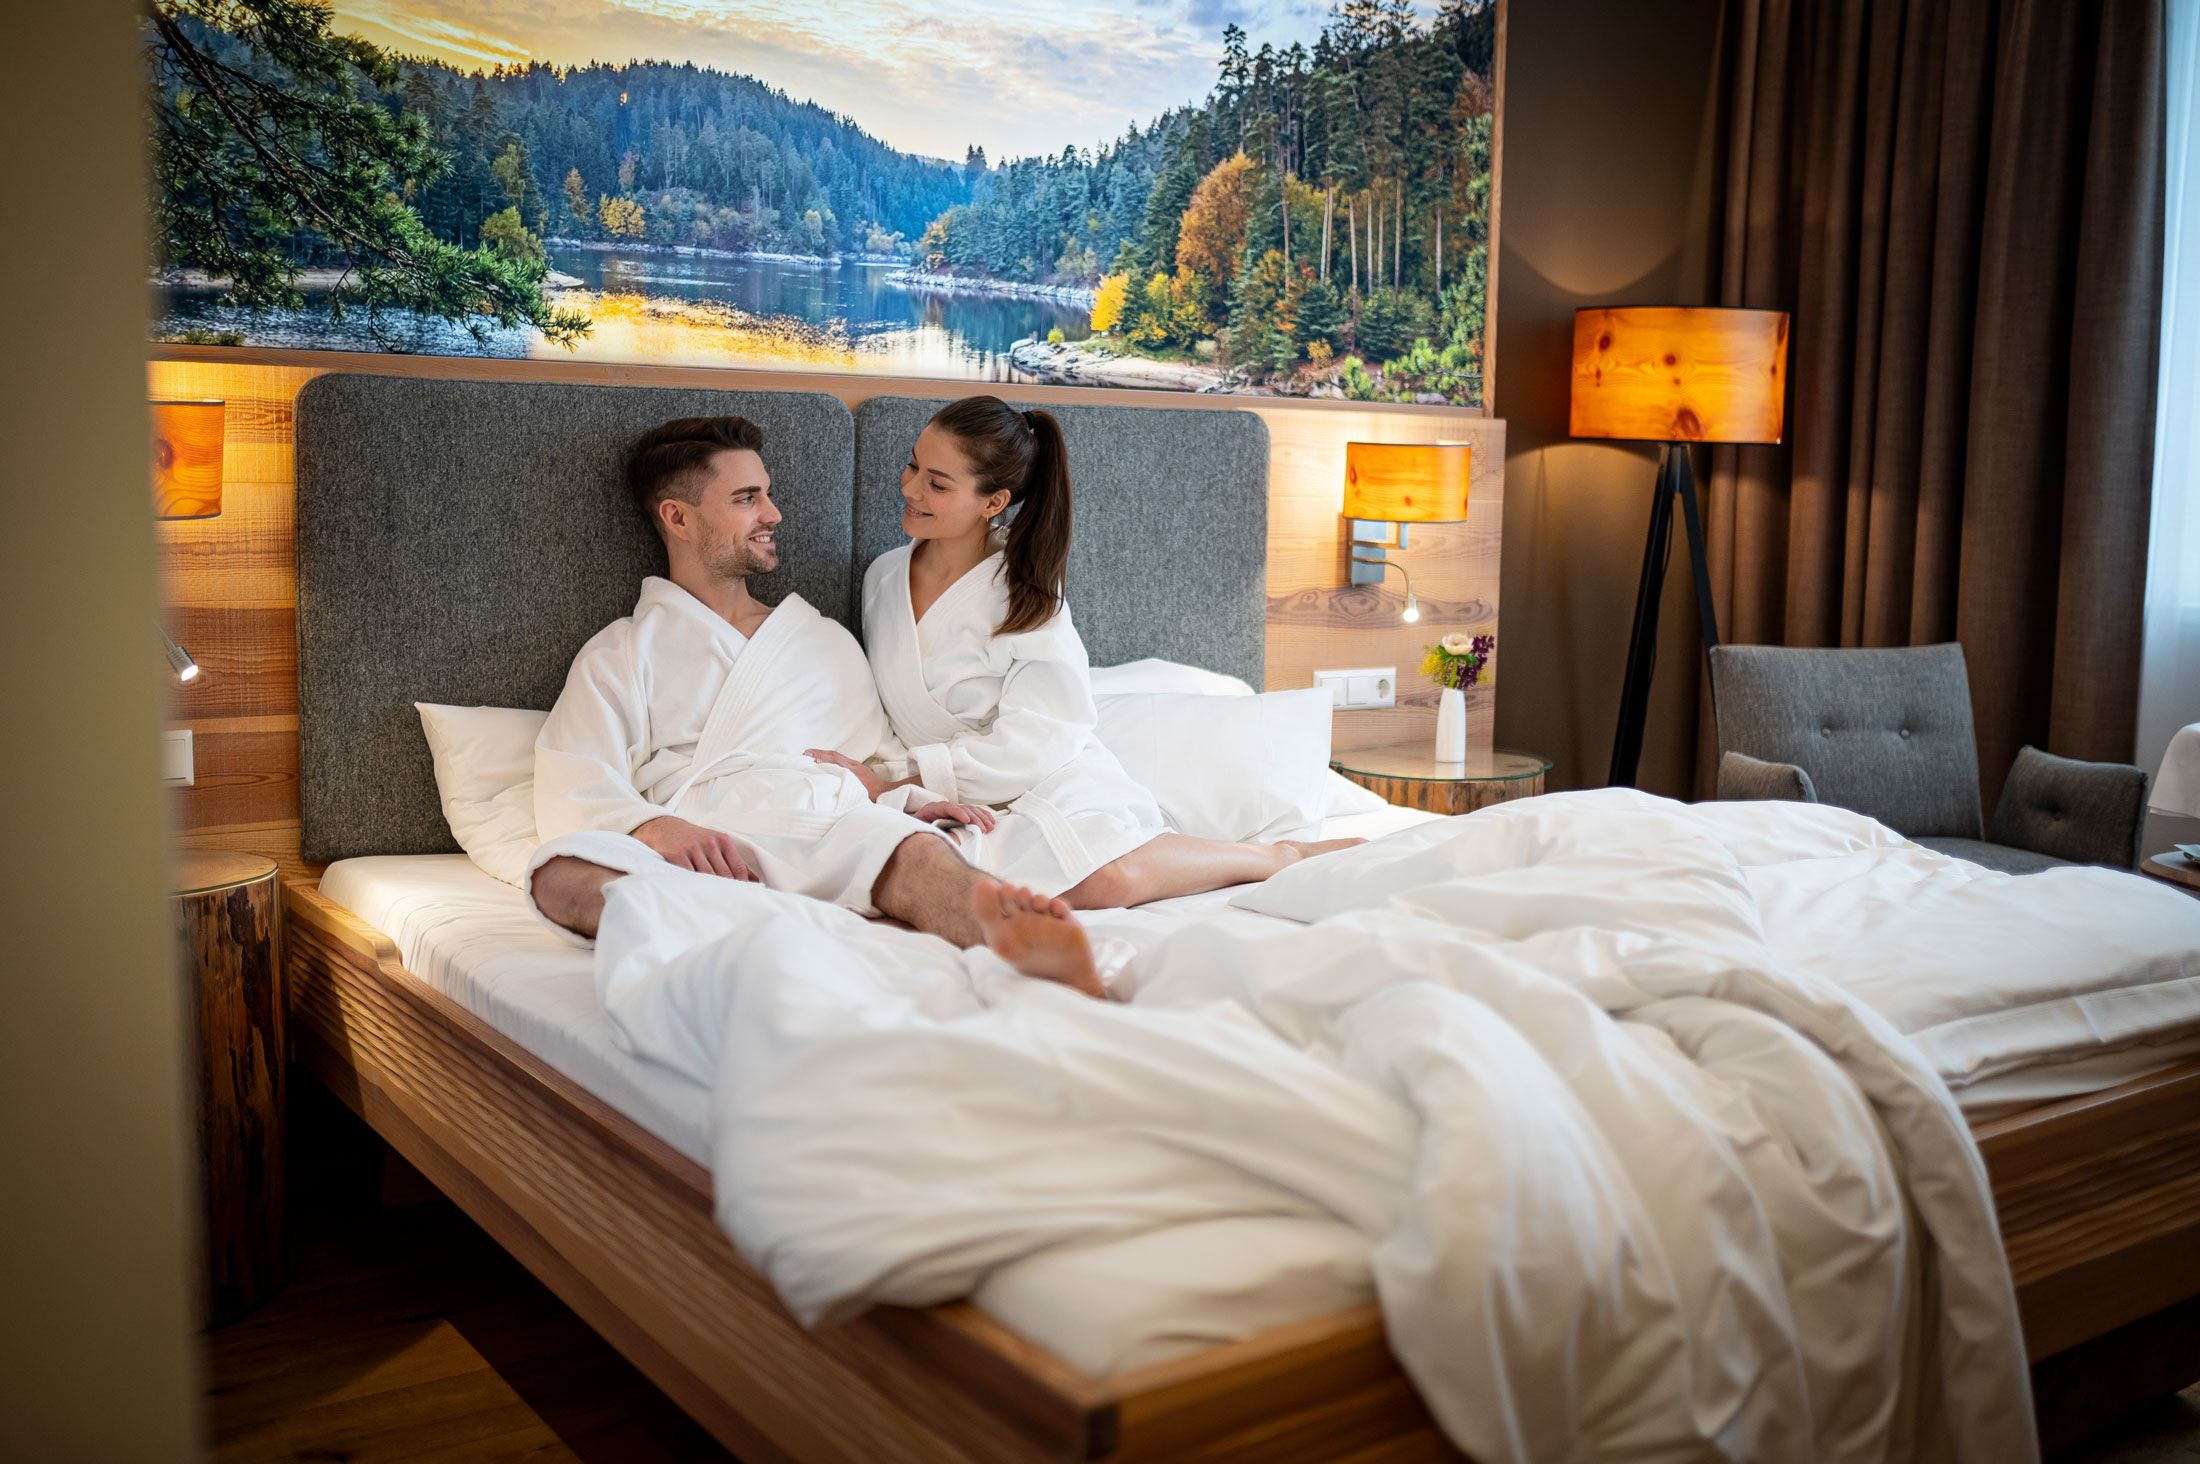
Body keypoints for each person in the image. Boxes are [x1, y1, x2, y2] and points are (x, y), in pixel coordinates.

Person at [811, 395, 1359, 909]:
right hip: (938, 791)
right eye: (912, 466)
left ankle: (1275, 856)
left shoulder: (1025, 596)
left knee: (1104, 879)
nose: (910, 489)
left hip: (1037, 776)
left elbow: (1044, 734)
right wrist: (901, 789)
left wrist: (908, 781)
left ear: (994, 502)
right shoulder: (883, 578)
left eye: (937, 483)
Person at [528, 414, 1005, 953]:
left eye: (767, 494)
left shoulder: (823, 639)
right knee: (559, 878)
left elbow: (876, 761)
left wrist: (905, 799)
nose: (773, 513)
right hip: (699, 848)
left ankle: (1047, 963)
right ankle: (774, 934)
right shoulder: (621, 652)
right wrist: (654, 828)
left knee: (921, 853)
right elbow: (574, 780)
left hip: (826, 830)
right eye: (746, 498)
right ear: (678, 518)